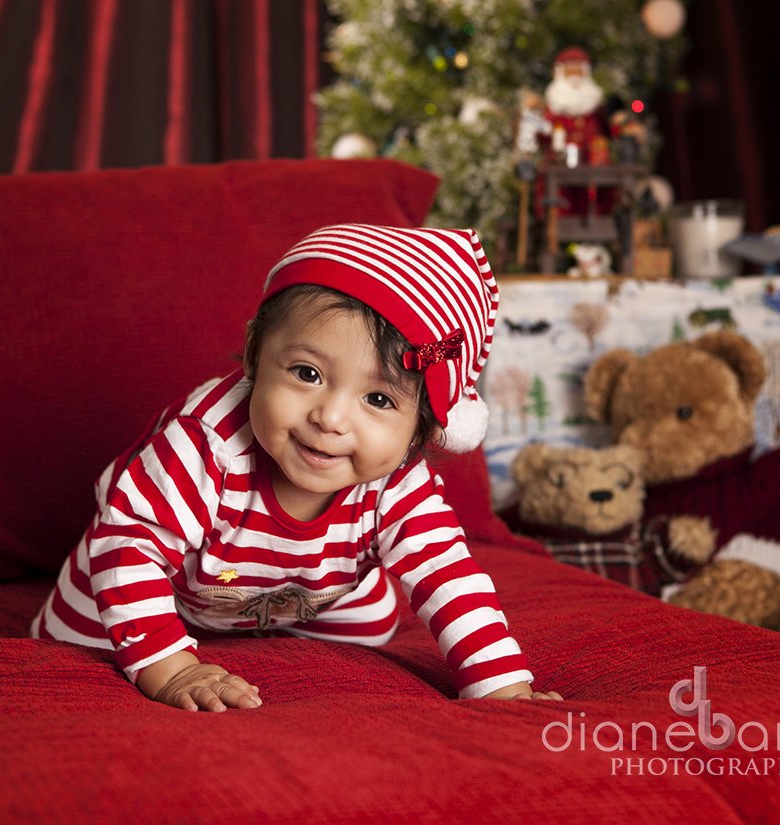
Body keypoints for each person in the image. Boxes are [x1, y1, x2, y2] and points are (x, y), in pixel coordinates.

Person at [31, 223, 562, 712]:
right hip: (169, 582)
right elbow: (130, 548)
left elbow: (449, 574)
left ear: (420, 431)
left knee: (376, 622)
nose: (329, 418)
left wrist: (502, 689)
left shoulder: (398, 476)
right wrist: (171, 671)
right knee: (77, 633)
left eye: (379, 400)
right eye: (306, 372)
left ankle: (306, 602)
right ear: (254, 357)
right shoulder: (205, 444)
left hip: (315, 592)